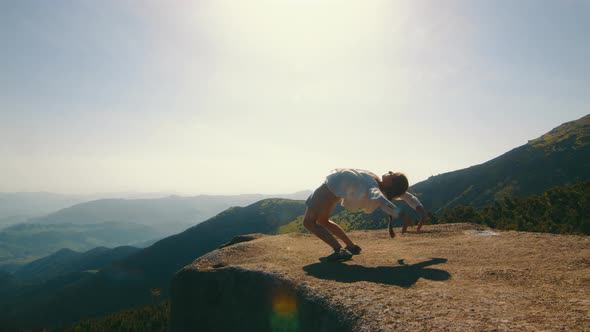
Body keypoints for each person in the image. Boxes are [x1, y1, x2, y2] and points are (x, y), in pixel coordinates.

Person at [303, 168, 429, 262]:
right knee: (323, 221)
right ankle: (351, 246)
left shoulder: (374, 187)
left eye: (392, 174)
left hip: (328, 190)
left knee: (308, 222)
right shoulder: (379, 184)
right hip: (334, 191)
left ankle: (339, 251)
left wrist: (400, 215)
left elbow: (382, 200)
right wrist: (421, 210)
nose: (389, 171)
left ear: (390, 183)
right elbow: (407, 195)